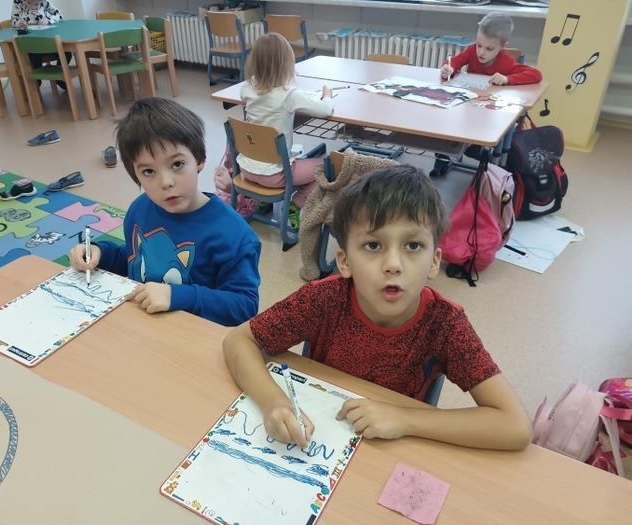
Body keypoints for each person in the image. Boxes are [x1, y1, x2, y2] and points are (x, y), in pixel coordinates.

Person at [223, 165, 532, 451]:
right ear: (345, 261)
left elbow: (514, 425)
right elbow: (239, 340)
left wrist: (405, 419)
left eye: (413, 246)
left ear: (434, 262)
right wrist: (274, 402)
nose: (393, 264)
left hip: (392, 450)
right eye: (373, 245)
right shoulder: (323, 299)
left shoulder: (446, 324)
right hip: (322, 440)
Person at [68, 98, 262, 327]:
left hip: (192, 337)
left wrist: (178, 296)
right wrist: (100, 253)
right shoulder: (139, 210)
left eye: (177, 164)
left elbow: (244, 305)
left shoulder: (234, 235)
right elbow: (135, 261)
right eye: (149, 171)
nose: (166, 182)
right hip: (142, 327)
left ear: (199, 160)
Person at [237, 32, 335, 231]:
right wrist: (327, 95)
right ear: (286, 65)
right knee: (327, 167)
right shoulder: (289, 95)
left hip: (246, 169)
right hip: (276, 175)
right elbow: (325, 109)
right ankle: (296, 203)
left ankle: (262, 200)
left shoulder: (246, 88)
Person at [440, 12, 542, 86]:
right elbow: (454, 61)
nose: (481, 52)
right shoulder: (472, 50)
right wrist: (449, 68)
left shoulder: (506, 61)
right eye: (479, 45)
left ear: (502, 46)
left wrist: (507, 79)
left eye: (489, 49)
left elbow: (536, 75)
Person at [10, 0, 71, 85]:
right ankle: (37, 81)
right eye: (28, 3)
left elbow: (59, 15)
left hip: (47, 42)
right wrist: (19, 23)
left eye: (36, 4)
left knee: (67, 53)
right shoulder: (18, 3)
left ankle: (60, 76)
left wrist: (48, 20)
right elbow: (13, 20)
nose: (32, 7)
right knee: (34, 57)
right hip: (31, 44)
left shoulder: (45, 2)